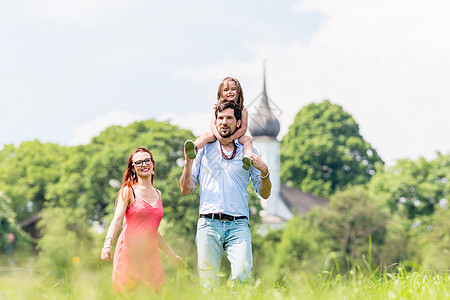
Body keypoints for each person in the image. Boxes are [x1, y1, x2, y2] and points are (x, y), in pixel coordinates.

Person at [180, 101, 272, 290]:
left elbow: (264, 193)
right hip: (208, 224)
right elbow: (186, 189)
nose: (224, 122)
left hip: (238, 225)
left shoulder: (250, 152)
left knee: (242, 276)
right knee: (209, 285)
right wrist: (188, 163)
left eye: (229, 118)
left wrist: (265, 172)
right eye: (220, 118)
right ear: (215, 121)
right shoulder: (203, 149)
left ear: (238, 123)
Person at [101, 147, 184, 292]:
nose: (144, 165)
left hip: (152, 258)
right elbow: (117, 220)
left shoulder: (158, 194)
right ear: (133, 168)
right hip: (129, 253)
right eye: (138, 162)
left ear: (152, 164)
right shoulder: (128, 191)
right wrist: (107, 244)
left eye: (147, 160)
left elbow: (153, 232)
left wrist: (172, 256)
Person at [184, 77, 255, 170]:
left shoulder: (243, 109)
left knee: (248, 139)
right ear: (221, 93)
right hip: (219, 134)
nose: (230, 92)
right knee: (206, 135)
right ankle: (194, 147)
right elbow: (213, 125)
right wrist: (220, 137)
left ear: (238, 92)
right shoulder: (217, 108)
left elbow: (243, 128)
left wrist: (230, 138)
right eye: (226, 90)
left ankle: (248, 157)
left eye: (233, 89)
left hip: (236, 135)